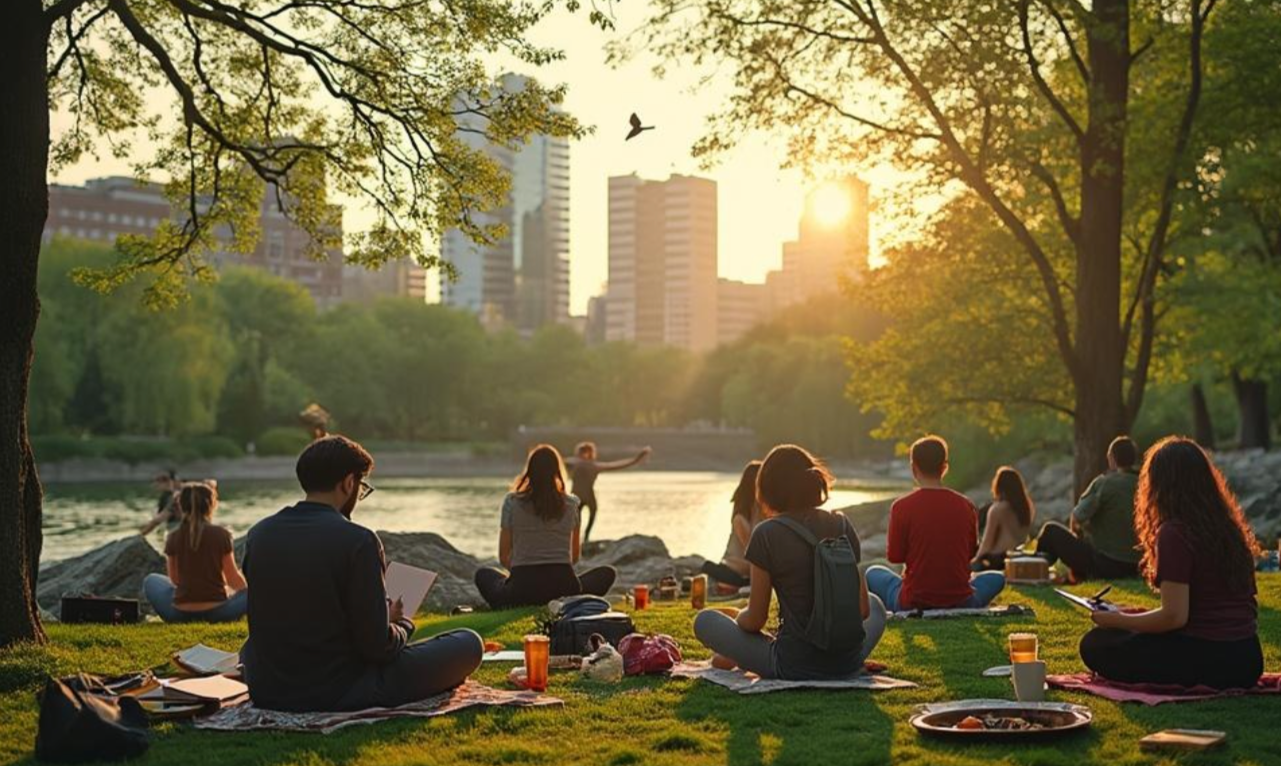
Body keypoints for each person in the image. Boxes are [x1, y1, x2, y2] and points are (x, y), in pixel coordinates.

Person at [240, 435, 483, 712]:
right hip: (339, 689)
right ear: (348, 483)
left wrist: (380, 617)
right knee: (468, 643)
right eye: (361, 487)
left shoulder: (259, 534)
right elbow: (378, 648)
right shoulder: (358, 540)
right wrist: (402, 624)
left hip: (269, 689)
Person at [1079, 436, 1263, 689]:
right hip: (1247, 657)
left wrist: (1116, 620)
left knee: (1096, 643)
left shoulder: (1175, 532)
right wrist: (1131, 614)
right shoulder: (1228, 528)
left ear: (1159, 485)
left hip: (1211, 657)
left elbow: (1174, 617)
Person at [693, 445, 886, 680]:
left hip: (793, 665)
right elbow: (863, 610)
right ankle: (838, 662)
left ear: (768, 489)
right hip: (847, 661)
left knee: (705, 621)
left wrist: (738, 619)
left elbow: (755, 620)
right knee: (876, 604)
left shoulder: (766, 533)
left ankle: (739, 655)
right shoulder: (841, 524)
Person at [864, 435, 1006, 611]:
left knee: (873, 572)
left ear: (913, 468)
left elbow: (895, 556)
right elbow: (970, 553)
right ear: (944, 468)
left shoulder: (901, 507)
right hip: (962, 600)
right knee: (997, 578)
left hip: (913, 601)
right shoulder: (966, 505)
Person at [474, 445, 616, 608]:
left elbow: (503, 556)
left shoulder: (511, 502)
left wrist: (524, 573)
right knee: (607, 573)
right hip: (564, 588)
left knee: (483, 574)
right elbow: (574, 557)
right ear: (557, 471)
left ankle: (516, 599)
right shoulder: (572, 505)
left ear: (530, 471)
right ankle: (568, 599)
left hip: (521, 590)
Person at [1034, 436, 1142, 581]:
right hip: (1137, 566)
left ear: (1112, 459)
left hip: (1105, 564)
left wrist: (1079, 536)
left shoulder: (1105, 483)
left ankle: (1034, 572)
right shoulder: (1144, 486)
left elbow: (1076, 518)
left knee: (1050, 531)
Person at [142, 481, 248, 623]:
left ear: (181, 506)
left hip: (178, 615)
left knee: (151, 580)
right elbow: (233, 580)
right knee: (256, 589)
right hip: (219, 613)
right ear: (212, 505)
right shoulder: (222, 534)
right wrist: (243, 591)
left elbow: (175, 580)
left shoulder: (173, 537)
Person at [568, 441, 652, 543]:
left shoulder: (587, 465)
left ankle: (584, 538)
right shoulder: (577, 464)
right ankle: (579, 539)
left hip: (585, 496)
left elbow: (618, 465)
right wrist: (637, 459)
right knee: (576, 519)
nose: (582, 455)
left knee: (589, 515)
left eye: (584, 453)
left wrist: (637, 459)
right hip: (578, 497)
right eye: (581, 453)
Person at [700, 461, 764, 589]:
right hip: (733, 572)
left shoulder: (760, 511)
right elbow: (754, 552)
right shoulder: (740, 518)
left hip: (748, 571)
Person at [972, 466, 1036, 572]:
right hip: (1017, 556)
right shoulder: (1026, 508)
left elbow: (986, 544)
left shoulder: (998, 509)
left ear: (998, 486)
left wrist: (974, 561)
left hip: (997, 560)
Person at [138, 470, 181, 535]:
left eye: (158, 482)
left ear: (168, 482)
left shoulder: (174, 497)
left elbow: (159, 519)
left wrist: (140, 535)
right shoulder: (166, 496)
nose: (155, 485)